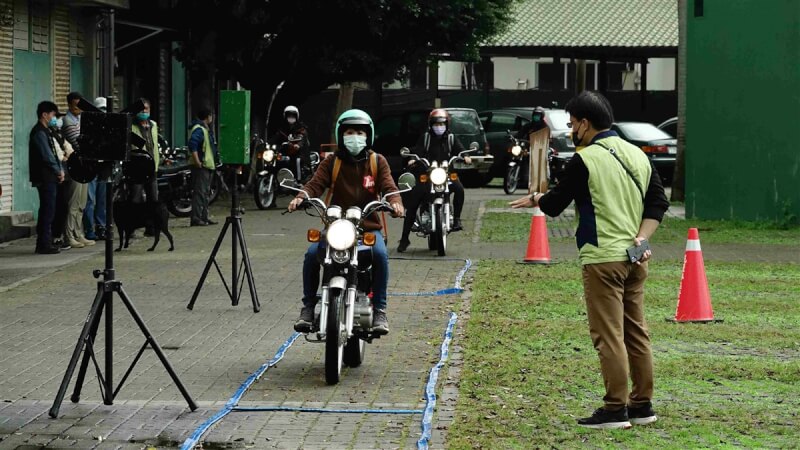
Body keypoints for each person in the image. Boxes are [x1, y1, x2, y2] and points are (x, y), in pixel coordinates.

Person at [511, 91, 669, 429]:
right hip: (635, 258)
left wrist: (537, 197)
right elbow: (658, 203)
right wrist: (642, 239)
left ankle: (615, 409)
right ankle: (642, 406)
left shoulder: (585, 159)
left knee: (608, 336)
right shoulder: (638, 155)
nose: (570, 130)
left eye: (571, 124)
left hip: (602, 260)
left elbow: (554, 205)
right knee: (636, 333)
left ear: (584, 123)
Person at [287, 109, 404, 335]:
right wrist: (301, 196)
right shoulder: (332, 162)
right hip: (335, 227)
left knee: (379, 255)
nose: (355, 136)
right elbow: (315, 184)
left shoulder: (377, 161)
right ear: (341, 135)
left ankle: (380, 309)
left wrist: (396, 202)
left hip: (367, 227)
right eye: (350, 132)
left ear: (368, 135)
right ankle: (308, 307)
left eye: (360, 132)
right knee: (312, 255)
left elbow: (390, 187)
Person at [397, 108, 470, 253]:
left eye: (442, 124)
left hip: (447, 173)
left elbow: (460, 150)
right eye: (436, 124)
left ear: (447, 124)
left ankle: (456, 219)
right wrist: (412, 159)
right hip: (427, 173)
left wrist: (465, 157)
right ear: (431, 125)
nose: (439, 126)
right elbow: (418, 151)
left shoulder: (451, 138)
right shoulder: (425, 138)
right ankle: (405, 238)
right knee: (414, 201)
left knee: (460, 190)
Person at [29, 101, 64, 254]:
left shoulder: (47, 131)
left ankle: (45, 241)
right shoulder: (39, 132)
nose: (54, 117)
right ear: (44, 115)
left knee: (49, 209)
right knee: (47, 210)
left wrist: (59, 170)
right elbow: (47, 156)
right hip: (45, 176)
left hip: (49, 176)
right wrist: (58, 170)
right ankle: (44, 243)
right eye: (52, 115)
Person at [61, 92, 94, 248]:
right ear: (69, 105)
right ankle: (69, 235)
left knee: (82, 202)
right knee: (73, 202)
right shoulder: (67, 121)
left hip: (84, 165)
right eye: (75, 106)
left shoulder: (81, 119)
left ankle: (79, 233)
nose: (78, 109)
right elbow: (78, 142)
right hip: (75, 166)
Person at [83, 96, 109, 240]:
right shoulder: (88, 125)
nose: (102, 113)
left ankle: (101, 227)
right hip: (92, 166)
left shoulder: (110, 126)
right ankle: (89, 229)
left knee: (102, 199)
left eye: (105, 110)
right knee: (90, 199)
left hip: (104, 167)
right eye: (100, 109)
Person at [188, 109, 219, 226]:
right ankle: (196, 218)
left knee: (205, 193)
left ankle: (204, 217)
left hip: (207, 165)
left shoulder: (205, 129)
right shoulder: (199, 129)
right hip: (202, 166)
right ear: (208, 116)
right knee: (200, 193)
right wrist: (197, 162)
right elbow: (193, 145)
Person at [268, 105, 310, 181]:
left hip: (298, 152)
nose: (291, 117)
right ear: (285, 116)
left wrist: (298, 145)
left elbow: (302, 138)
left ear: (296, 117)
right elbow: (276, 137)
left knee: (298, 160)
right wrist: (267, 143)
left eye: (293, 116)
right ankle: (276, 179)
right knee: (274, 159)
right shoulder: (282, 128)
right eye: (289, 115)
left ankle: (298, 181)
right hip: (285, 151)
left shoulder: (300, 127)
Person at [130, 98, 159, 202]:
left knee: (153, 198)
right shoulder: (131, 126)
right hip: (137, 168)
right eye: (141, 109)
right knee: (136, 198)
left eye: (146, 109)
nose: (144, 111)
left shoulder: (153, 125)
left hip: (152, 167)